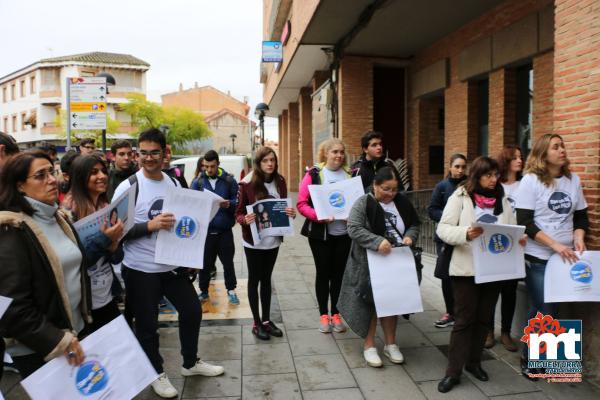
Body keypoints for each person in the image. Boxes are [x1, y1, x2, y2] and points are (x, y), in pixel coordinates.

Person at [112, 128, 223, 399]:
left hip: (171, 267)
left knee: (192, 311)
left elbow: (186, 223)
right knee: (148, 325)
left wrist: (191, 258)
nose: (148, 158)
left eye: (154, 153)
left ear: (165, 153)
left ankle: (190, 362)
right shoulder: (128, 187)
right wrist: (148, 225)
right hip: (141, 269)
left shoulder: (174, 182)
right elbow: (115, 230)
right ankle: (155, 372)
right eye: (144, 153)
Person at [436, 156, 526, 393]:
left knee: (484, 320)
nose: (494, 179)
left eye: (496, 175)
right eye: (489, 175)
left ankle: (474, 363)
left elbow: (510, 227)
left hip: (493, 271)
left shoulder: (502, 198)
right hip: (466, 269)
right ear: (477, 175)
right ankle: (452, 372)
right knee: (464, 320)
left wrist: (519, 239)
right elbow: (443, 229)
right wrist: (466, 233)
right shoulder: (461, 196)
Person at [0, 151, 91, 378]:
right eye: (41, 175)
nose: (52, 180)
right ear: (20, 186)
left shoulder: (58, 218)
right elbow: (12, 307)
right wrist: (57, 339)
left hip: (73, 334)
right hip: (40, 347)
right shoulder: (12, 228)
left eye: (52, 171)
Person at [515, 134, 588, 380]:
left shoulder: (572, 180)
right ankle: (530, 359)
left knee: (556, 306)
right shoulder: (531, 181)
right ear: (543, 154)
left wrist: (578, 237)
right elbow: (524, 222)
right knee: (543, 307)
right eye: (556, 147)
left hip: (567, 257)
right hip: (539, 256)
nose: (562, 150)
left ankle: (550, 360)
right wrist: (555, 245)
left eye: (563, 145)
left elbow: (580, 216)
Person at [338, 167, 420, 367]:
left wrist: (410, 236)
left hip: (396, 262)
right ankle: (369, 345)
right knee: (370, 304)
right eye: (385, 189)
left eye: (394, 189)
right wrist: (376, 241)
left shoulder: (402, 202)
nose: (390, 194)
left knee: (392, 302)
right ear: (375, 185)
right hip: (368, 263)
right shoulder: (364, 202)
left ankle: (391, 344)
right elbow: (354, 228)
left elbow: (414, 224)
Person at [235, 147, 296, 340]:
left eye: (273, 160)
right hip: (254, 241)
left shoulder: (281, 182)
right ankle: (256, 323)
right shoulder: (247, 184)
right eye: (266, 161)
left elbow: (285, 206)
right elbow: (237, 214)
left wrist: (291, 214)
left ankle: (267, 321)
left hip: (273, 240)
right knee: (254, 280)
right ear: (258, 163)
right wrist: (246, 219)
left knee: (267, 280)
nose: (270, 164)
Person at [61, 155, 125, 332]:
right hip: (84, 303)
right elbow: (76, 262)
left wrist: (113, 247)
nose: (102, 176)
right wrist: (105, 240)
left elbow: (117, 257)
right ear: (80, 177)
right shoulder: (67, 213)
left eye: (104, 171)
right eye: (94, 172)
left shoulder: (106, 207)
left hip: (107, 294)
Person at [297, 138, 353, 333]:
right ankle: (323, 315)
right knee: (323, 274)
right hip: (321, 236)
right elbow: (301, 204)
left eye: (342, 152)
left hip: (344, 235)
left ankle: (336, 314)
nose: (339, 155)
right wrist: (319, 217)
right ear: (326, 153)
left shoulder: (350, 174)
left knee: (339, 276)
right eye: (335, 152)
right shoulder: (314, 174)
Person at [190, 150, 240, 305]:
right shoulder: (197, 182)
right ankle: (203, 292)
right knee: (204, 264)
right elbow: (191, 203)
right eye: (206, 166)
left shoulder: (229, 180)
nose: (209, 170)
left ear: (218, 164)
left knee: (228, 263)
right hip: (205, 232)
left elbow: (238, 202)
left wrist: (229, 204)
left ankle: (231, 290)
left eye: (212, 166)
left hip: (224, 231)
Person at [486, 145, 523, 351]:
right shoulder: (495, 184)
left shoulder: (525, 185)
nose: (519, 160)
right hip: (495, 244)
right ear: (505, 161)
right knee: (491, 290)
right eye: (514, 157)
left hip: (517, 244)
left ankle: (506, 332)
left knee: (510, 291)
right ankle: (489, 331)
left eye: (521, 157)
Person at [427, 154, 467, 329]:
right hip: (445, 238)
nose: (460, 170)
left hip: (465, 237)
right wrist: (449, 218)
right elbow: (431, 210)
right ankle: (450, 312)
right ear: (450, 167)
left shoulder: (470, 186)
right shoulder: (441, 187)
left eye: (463, 167)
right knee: (446, 275)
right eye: (457, 166)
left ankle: (462, 312)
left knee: (463, 275)